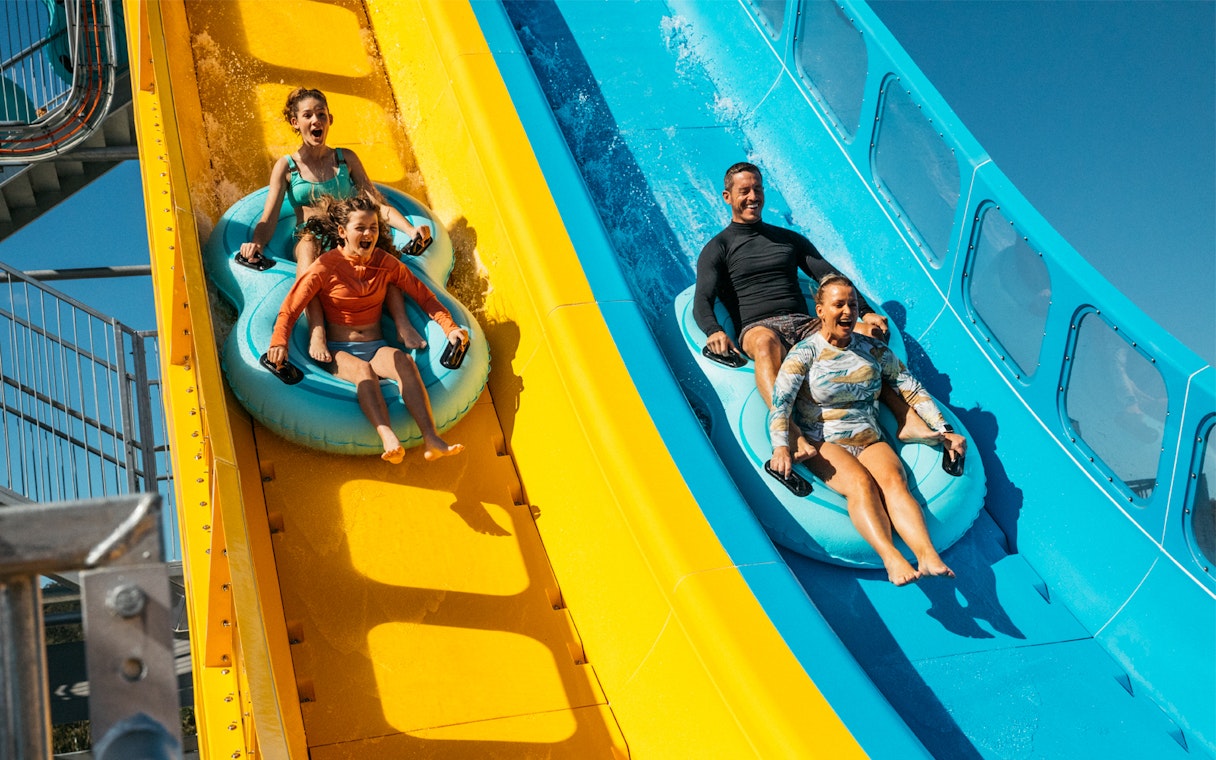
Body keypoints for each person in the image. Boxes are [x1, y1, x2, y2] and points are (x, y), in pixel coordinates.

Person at [693, 162, 938, 462]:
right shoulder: (718, 247)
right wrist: (714, 330)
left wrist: (866, 312)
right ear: (727, 196)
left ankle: (905, 417)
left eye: (757, 189)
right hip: (759, 328)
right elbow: (702, 300)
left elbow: (831, 277)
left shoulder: (789, 240)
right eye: (744, 191)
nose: (753, 197)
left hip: (804, 325)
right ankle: (791, 432)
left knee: (867, 336)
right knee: (765, 343)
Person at [769, 275, 967, 585]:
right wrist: (781, 446)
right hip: (823, 440)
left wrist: (944, 428)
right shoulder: (805, 353)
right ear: (820, 310)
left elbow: (912, 389)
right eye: (838, 305)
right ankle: (891, 557)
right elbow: (780, 403)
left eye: (852, 304)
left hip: (868, 437)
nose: (847, 312)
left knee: (895, 481)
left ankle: (927, 555)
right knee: (861, 484)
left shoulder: (873, 350)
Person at [267, 192, 467, 463]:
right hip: (338, 350)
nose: (368, 234)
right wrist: (279, 343)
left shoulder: (385, 263)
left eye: (373, 227)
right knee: (363, 371)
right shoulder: (325, 267)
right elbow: (291, 307)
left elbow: (424, 296)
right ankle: (388, 437)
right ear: (342, 232)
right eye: (360, 228)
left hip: (376, 346)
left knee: (404, 361)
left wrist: (450, 328)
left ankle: (431, 439)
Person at [239, 87, 432, 364]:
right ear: (295, 122)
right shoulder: (287, 167)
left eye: (321, 114)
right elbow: (269, 217)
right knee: (308, 248)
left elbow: (375, 206)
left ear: (330, 119)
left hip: (347, 236)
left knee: (381, 252)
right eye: (307, 115)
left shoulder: (345, 159)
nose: (315, 120)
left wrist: (410, 231)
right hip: (310, 235)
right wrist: (257, 243)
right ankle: (317, 331)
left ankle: (402, 324)